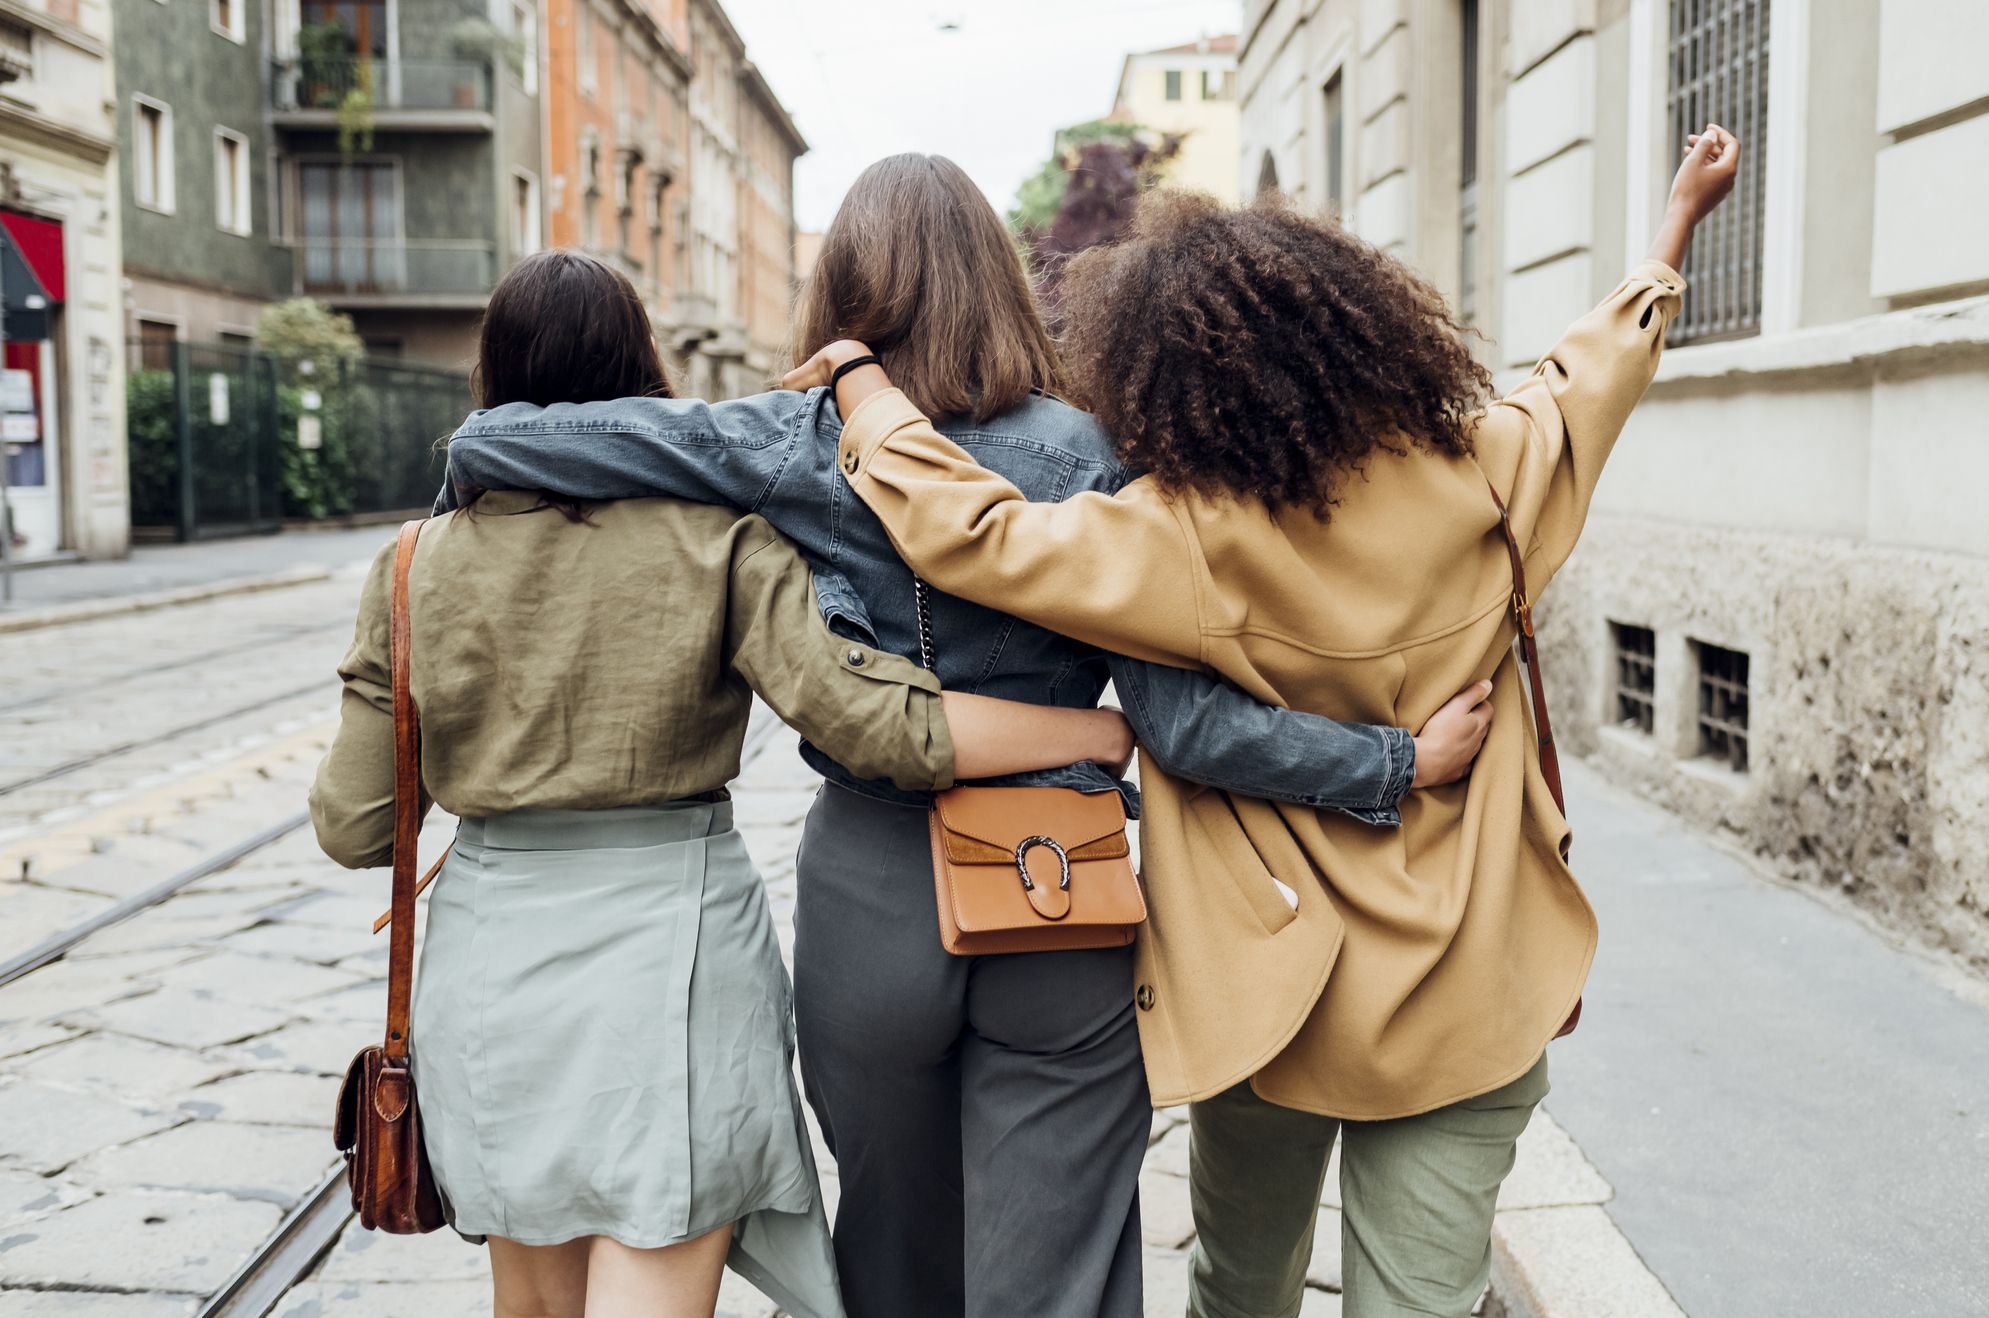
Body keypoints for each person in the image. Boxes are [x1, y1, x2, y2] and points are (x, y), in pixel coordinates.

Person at [434, 155, 1497, 1318]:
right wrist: (1393, 762)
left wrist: (473, 453)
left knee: (892, 1245)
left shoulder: (793, 439)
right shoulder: (1098, 457)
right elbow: (1188, 730)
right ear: (1000, 281)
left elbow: (546, 440)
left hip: (870, 892)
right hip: (1062, 887)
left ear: (842, 293)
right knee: (1060, 1262)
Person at [786, 128, 1743, 1317]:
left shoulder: (1181, 535)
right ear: (1371, 333)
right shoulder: (1494, 477)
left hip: (1274, 997)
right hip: (1470, 985)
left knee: (1240, 1285)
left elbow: (976, 534)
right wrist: (1673, 231)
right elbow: (1588, 380)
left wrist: (869, 396)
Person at [309, 250, 1157, 1318]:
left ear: (491, 374)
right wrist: (1089, 728)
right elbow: (867, 718)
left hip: (494, 971)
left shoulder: (412, 563)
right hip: (675, 956)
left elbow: (353, 824)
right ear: (643, 374)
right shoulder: (717, 539)